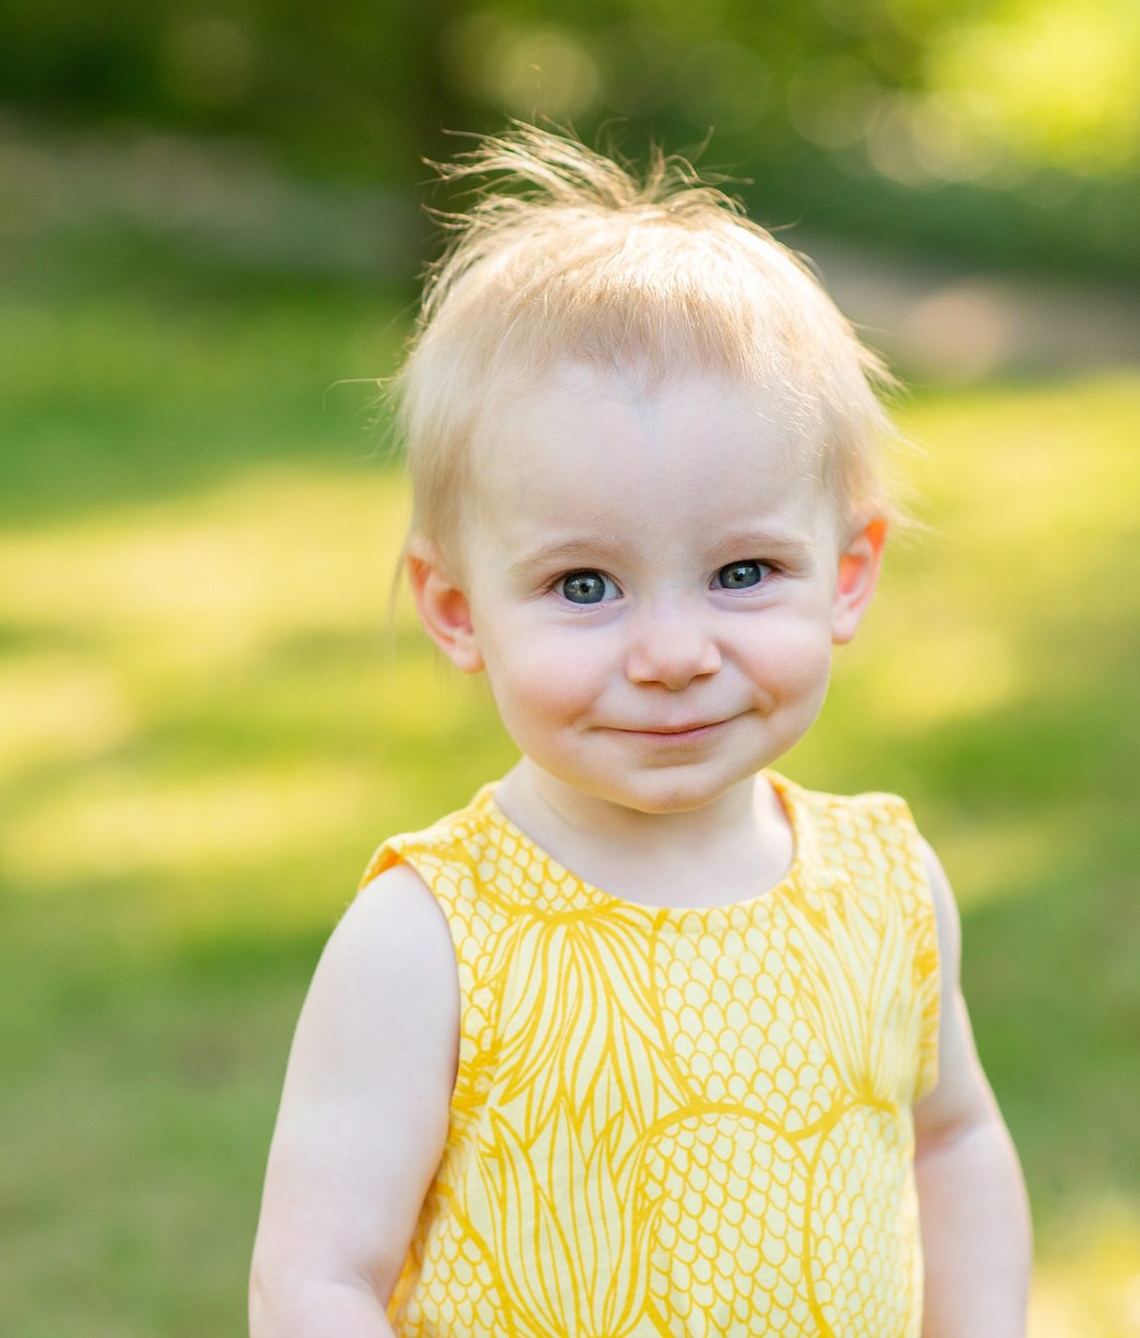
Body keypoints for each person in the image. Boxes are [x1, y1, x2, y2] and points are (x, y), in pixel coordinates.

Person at [249, 120, 1031, 1337]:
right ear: (457, 610)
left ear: (848, 572)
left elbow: (954, 1137)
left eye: (741, 571)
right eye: (583, 587)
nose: (672, 655)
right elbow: (317, 1277)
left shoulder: (885, 885)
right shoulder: (429, 937)